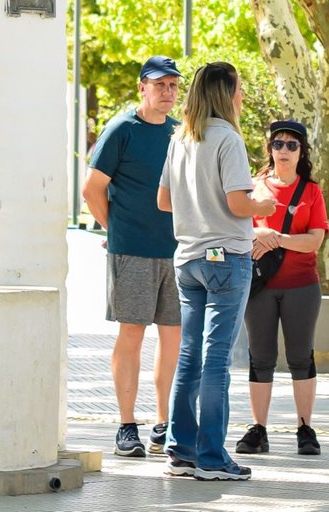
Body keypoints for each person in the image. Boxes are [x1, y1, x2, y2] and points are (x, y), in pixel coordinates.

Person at [157, 61, 277, 481]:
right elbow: (238, 204)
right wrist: (263, 204)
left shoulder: (180, 137)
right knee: (217, 359)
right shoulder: (228, 138)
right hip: (226, 257)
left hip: (188, 258)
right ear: (226, 95)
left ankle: (181, 451)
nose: (241, 96)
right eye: (238, 89)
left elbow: (164, 201)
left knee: (189, 355)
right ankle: (212, 458)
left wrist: (198, 206)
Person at [82, 55, 183, 460]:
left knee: (173, 337)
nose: (167, 92)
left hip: (178, 251)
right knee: (132, 334)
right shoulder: (122, 129)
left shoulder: (180, 132)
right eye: (159, 85)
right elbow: (91, 188)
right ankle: (126, 426)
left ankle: (164, 425)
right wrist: (116, 231)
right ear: (142, 87)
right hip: (133, 252)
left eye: (173, 85)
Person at [237, 119, 329, 458]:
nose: (285, 150)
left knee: (300, 357)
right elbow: (237, 228)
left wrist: (275, 238)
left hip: (301, 286)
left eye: (292, 144)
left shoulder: (311, 191)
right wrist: (259, 235)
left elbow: (314, 241)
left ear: (302, 151)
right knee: (260, 357)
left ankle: (305, 428)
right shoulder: (254, 186)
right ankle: (258, 429)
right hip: (260, 285)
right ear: (270, 149)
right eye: (278, 144)